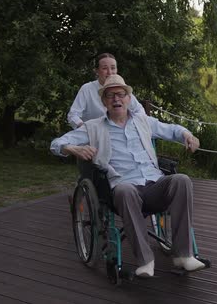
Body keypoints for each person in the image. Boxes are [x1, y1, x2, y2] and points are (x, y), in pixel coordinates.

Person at [51, 74, 205, 277]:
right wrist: (72, 148)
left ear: (128, 98)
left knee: (181, 180)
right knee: (125, 190)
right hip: (123, 188)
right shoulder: (93, 127)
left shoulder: (143, 121)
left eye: (121, 94)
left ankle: (183, 255)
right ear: (104, 101)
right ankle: (145, 260)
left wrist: (187, 135)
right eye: (111, 95)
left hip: (154, 184)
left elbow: (172, 129)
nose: (116, 99)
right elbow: (56, 144)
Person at [67, 53, 145, 129]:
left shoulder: (123, 88)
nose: (110, 72)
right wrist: (84, 128)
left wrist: (132, 126)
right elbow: (73, 115)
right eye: (104, 68)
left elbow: (139, 110)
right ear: (96, 70)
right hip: (93, 136)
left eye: (113, 68)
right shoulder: (87, 89)